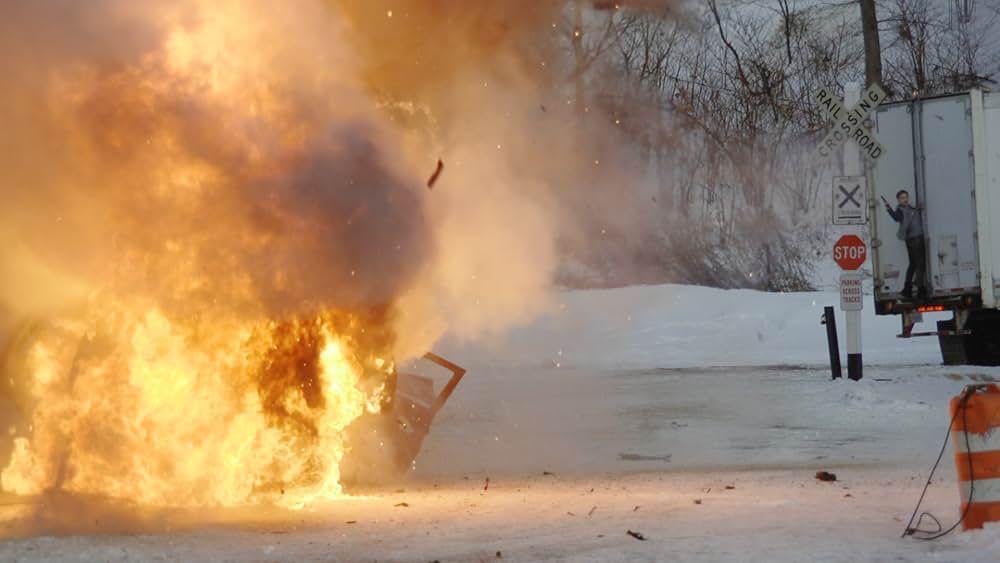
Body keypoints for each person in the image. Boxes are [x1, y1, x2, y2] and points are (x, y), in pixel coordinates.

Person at [883, 190, 927, 300]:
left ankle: (907, 290)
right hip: (915, 239)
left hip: (914, 239)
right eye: (902, 198)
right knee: (919, 264)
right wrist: (888, 208)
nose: (905, 199)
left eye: (906, 197)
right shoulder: (900, 210)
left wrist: (919, 209)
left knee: (913, 264)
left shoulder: (911, 208)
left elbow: (914, 213)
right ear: (898, 200)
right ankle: (920, 291)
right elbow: (896, 218)